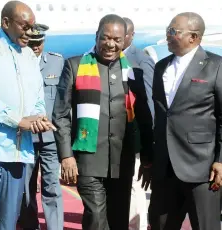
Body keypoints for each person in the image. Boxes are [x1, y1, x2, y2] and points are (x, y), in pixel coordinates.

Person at [52, 14, 153, 230]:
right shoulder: (75, 65)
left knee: (118, 219)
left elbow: (143, 115)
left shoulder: (133, 72)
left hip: (122, 160)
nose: (110, 44)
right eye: (105, 38)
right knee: (96, 216)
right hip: (88, 159)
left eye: (117, 40)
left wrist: (146, 157)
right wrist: (66, 155)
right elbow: (60, 115)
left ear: (125, 40)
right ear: (96, 36)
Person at [0, 1, 56, 230]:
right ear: (5, 23)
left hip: (21, 155)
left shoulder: (28, 55)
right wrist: (16, 120)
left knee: (9, 223)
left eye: (32, 27)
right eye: (24, 26)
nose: (30, 33)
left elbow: (37, 98)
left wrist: (39, 118)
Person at [148, 12, 222, 230]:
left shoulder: (217, 66)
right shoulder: (161, 67)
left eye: (173, 31)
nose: (167, 36)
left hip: (202, 168)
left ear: (193, 37)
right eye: (168, 30)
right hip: (165, 168)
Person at [18, 23, 64, 230]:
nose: (36, 47)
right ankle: (30, 226)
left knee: (52, 186)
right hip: (25, 135)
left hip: (50, 139)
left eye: (40, 43)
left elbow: (64, 101)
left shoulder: (57, 62)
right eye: (33, 42)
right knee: (26, 189)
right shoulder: (16, 63)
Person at [122, 17, 155, 230]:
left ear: (131, 35)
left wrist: (148, 142)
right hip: (112, 135)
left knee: (134, 185)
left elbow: (149, 102)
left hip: (134, 135)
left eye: (123, 34)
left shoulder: (141, 60)